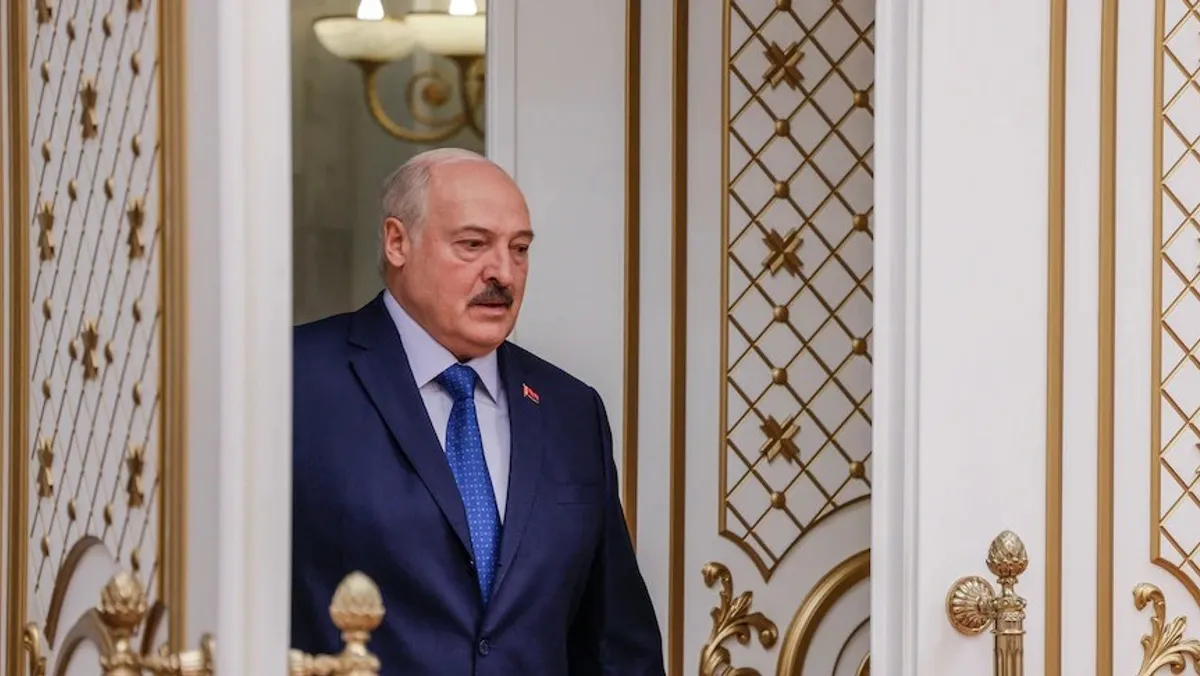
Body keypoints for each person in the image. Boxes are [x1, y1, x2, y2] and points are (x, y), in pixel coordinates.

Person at [290, 147, 665, 674]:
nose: (504, 273)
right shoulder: (295, 380)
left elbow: (616, 644)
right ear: (397, 242)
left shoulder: (571, 411)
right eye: (473, 245)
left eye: (519, 249)